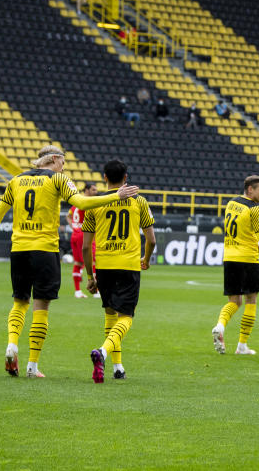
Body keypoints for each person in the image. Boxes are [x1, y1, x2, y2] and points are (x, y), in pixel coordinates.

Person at [0, 146, 139, 378]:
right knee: (41, 307)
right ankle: (32, 366)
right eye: (63, 163)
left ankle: (12, 344)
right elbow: (82, 204)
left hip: (19, 249)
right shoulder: (58, 179)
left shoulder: (16, 180)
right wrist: (116, 195)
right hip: (45, 249)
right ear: (55, 159)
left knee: (20, 302)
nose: (64, 167)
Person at [83, 159, 156, 383]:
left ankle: (117, 367)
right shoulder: (139, 201)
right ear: (126, 178)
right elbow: (151, 240)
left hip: (104, 265)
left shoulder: (95, 203)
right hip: (128, 265)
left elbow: (86, 246)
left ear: (104, 178)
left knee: (109, 314)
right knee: (126, 317)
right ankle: (103, 353)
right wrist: (145, 258)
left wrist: (90, 275)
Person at [211, 175, 259, 355]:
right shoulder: (255, 208)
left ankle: (220, 326)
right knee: (251, 301)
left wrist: (254, 244)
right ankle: (242, 346)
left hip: (230, 256)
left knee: (234, 301)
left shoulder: (231, 203)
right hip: (247, 259)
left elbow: (242, 230)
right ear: (250, 189)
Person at [67, 182, 99, 298]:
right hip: (85, 235)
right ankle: (97, 291)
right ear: (87, 190)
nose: (96, 192)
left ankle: (77, 291)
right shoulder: (88, 202)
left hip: (75, 235)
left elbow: (69, 216)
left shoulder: (77, 202)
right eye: (93, 190)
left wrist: (74, 227)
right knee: (94, 262)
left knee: (78, 263)